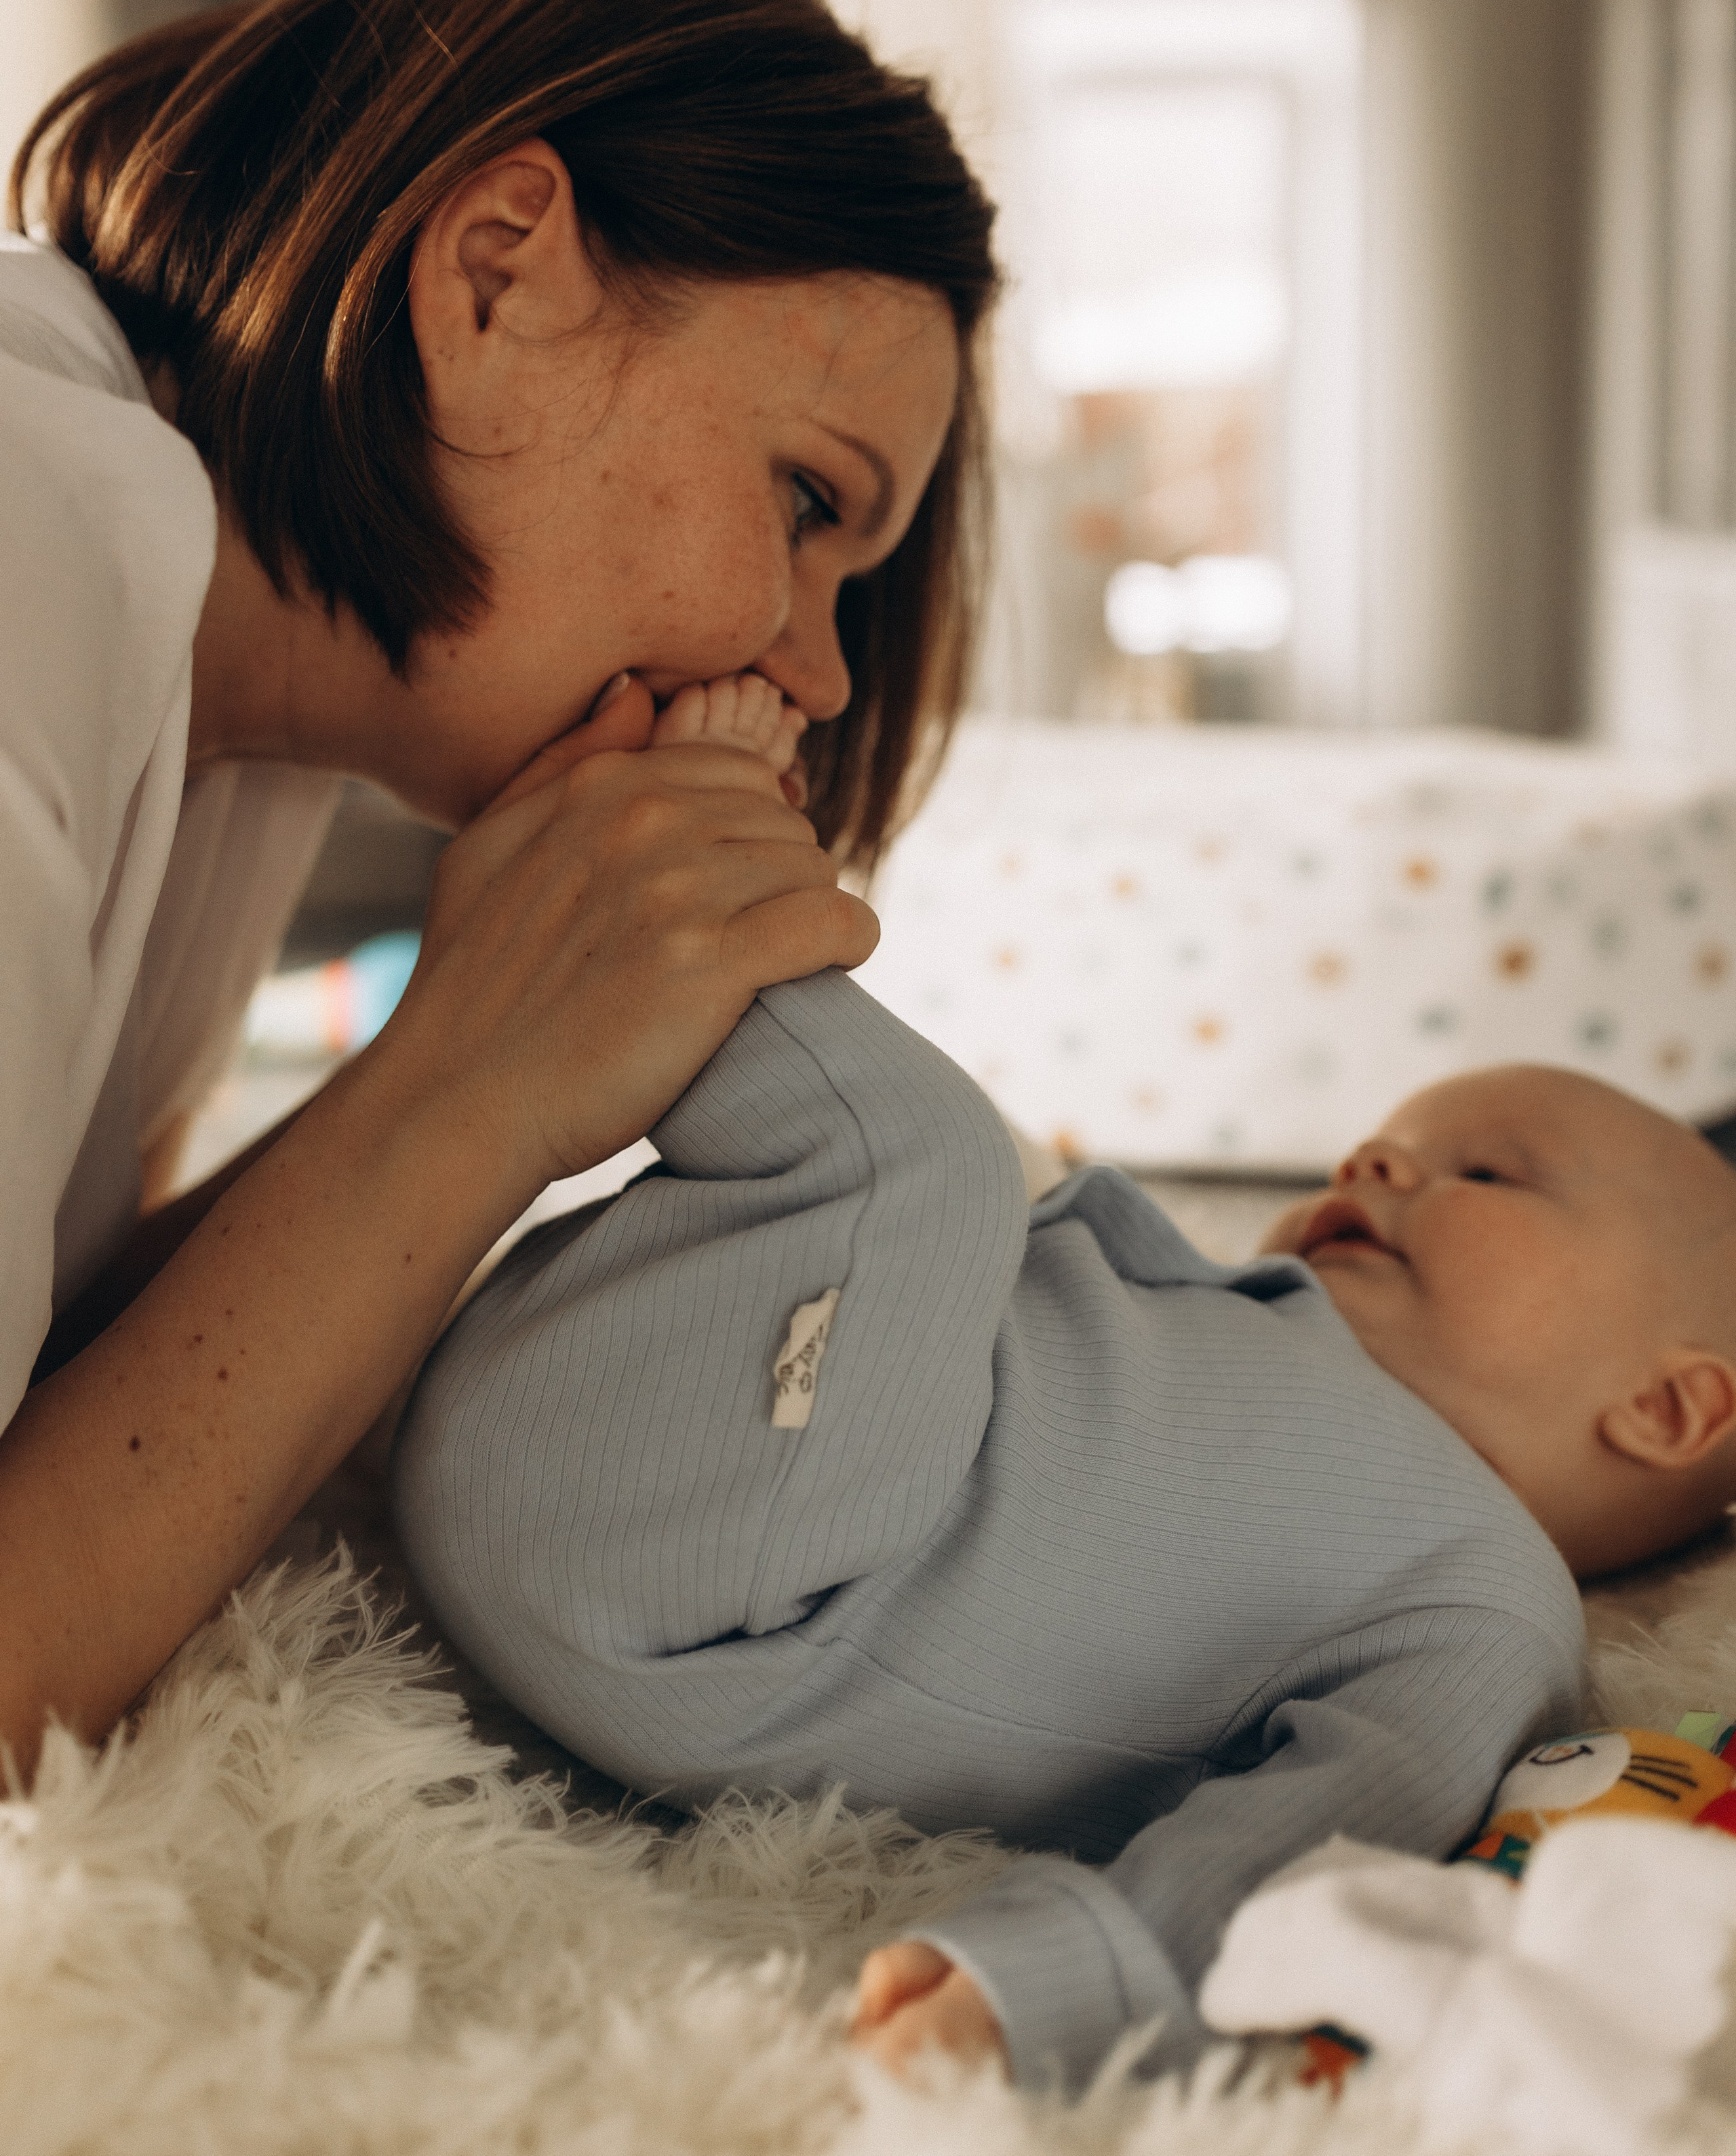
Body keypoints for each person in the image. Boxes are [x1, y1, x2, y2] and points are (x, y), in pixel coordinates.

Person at [391, 671, 1736, 2096]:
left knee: (929, 1158)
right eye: (1379, 1144)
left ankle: (656, 866)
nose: (1373, 1163)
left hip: (741, 1589)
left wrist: (1065, 1980)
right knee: (906, 1190)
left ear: (1664, 1409)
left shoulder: (1478, 1591)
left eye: (1483, 1171)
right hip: (590, 1400)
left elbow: (1331, 1830)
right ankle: (627, 906)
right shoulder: (1252, 1326)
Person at [0, 0, 997, 1775]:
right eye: (807, 501)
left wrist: (471, 1058)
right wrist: (464, 1083)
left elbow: (67, 1383)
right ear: (492, 276)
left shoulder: (251, 702)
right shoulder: (31, 529)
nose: (820, 673)